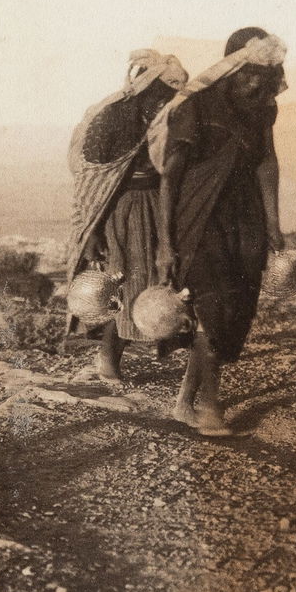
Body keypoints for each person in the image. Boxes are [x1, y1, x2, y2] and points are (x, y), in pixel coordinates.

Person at [147, 27, 288, 435]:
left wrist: (274, 224)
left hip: (244, 218)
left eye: (264, 75)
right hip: (198, 217)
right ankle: (210, 407)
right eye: (249, 74)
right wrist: (166, 243)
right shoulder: (198, 105)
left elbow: (267, 163)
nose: (256, 82)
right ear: (233, 66)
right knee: (214, 305)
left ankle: (184, 403)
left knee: (236, 304)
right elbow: (170, 179)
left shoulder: (263, 109)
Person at [65, 49, 189, 381]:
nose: (168, 101)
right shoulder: (114, 119)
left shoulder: (163, 119)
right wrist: (91, 232)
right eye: (163, 94)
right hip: (122, 211)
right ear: (149, 88)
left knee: (156, 280)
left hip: (156, 205)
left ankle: (144, 345)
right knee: (126, 284)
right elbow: (92, 182)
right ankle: (108, 359)